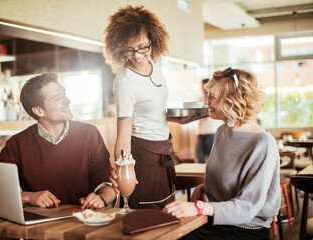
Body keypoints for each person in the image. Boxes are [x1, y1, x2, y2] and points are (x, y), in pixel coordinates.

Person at [103, 5, 203, 210]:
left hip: (163, 150)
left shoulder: (155, 67)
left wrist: (175, 119)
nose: (137, 55)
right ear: (119, 47)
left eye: (143, 46)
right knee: (146, 216)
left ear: (153, 40)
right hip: (143, 154)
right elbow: (123, 134)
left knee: (167, 211)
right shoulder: (125, 81)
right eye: (129, 49)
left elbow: (149, 111)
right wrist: (123, 169)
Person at [163, 67, 281, 240]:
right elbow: (227, 183)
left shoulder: (262, 143)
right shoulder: (222, 131)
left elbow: (247, 206)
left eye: (212, 96)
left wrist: (200, 207)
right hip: (215, 222)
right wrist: (202, 189)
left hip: (246, 229)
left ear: (232, 101)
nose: (205, 101)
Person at [0, 73, 116, 209]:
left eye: (64, 94)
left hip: (84, 218)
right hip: (36, 225)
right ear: (39, 111)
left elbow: (109, 184)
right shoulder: (16, 144)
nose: (67, 100)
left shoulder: (89, 134)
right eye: (57, 98)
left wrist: (101, 198)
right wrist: (29, 197)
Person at [196, 78, 222, 163]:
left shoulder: (215, 98)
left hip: (211, 131)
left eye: (205, 87)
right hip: (201, 131)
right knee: (200, 155)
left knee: (211, 155)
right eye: (202, 87)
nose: (203, 88)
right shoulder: (200, 99)